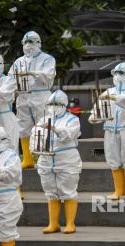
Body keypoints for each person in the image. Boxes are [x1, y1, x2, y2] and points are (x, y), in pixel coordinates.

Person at [30, 90, 82, 234]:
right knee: (51, 191)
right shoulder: (43, 119)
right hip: (46, 160)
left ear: (64, 105)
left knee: (68, 190)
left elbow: (69, 135)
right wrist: (34, 148)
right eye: (51, 103)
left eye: (57, 103)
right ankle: (53, 224)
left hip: (66, 159)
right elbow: (35, 135)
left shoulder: (72, 119)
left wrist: (55, 129)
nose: (53, 106)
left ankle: (70, 223)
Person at [88, 62, 125, 200]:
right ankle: (118, 191)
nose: (118, 76)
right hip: (110, 130)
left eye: (121, 73)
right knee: (114, 159)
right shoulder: (108, 92)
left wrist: (113, 98)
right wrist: (94, 117)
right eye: (116, 73)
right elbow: (99, 110)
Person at [8, 31, 56, 169]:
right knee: (23, 126)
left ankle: (45, 158)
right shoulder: (19, 61)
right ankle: (28, 159)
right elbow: (10, 78)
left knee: (44, 125)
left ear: (39, 43)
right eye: (26, 42)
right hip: (23, 96)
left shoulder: (47, 59)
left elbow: (48, 75)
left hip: (41, 96)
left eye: (33, 41)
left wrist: (33, 73)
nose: (29, 45)